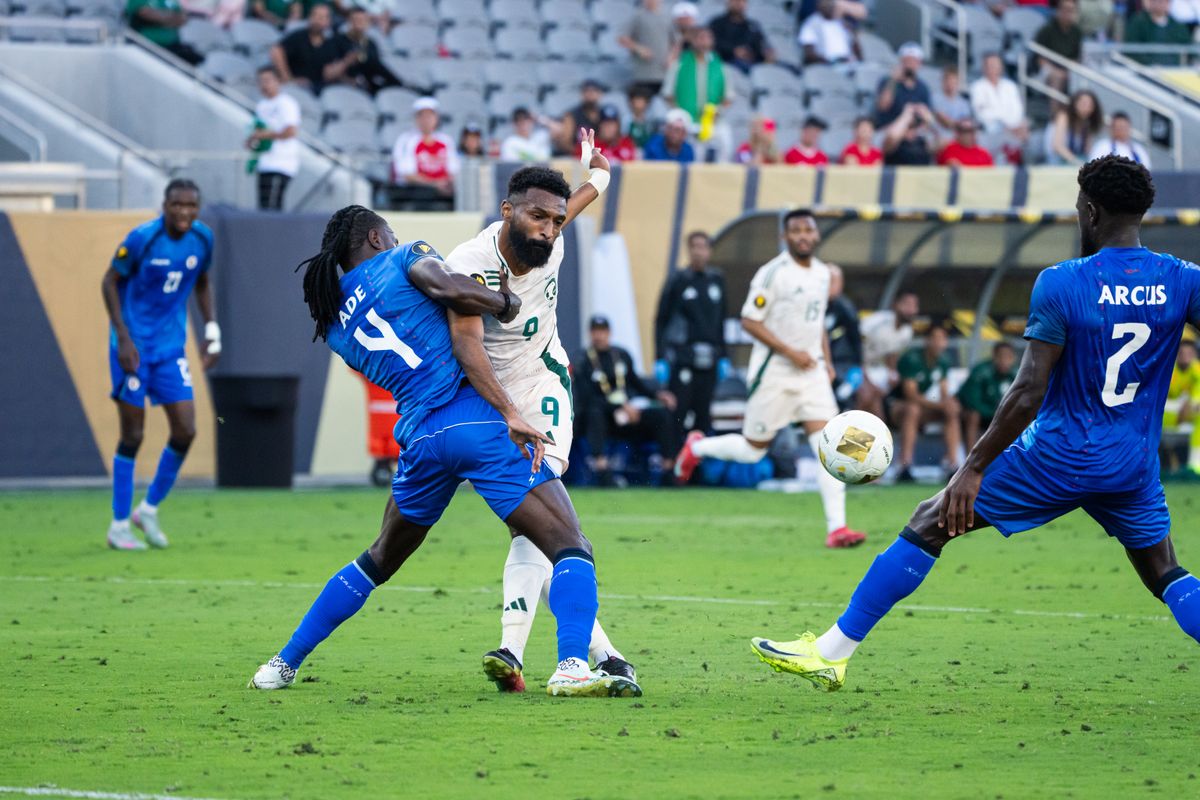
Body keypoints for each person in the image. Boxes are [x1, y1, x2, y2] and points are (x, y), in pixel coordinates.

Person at [750, 155, 1200, 691]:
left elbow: (1028, 390)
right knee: (1166, 573)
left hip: (1060, 453)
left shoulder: (1063, 282)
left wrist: (972, 468)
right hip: (1132, 461)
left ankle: (830, 652)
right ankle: (829, 651)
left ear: (1090, 210)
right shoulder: (1182, 279)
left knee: (929, 520)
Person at [249, 206, 640, 698]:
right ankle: (571, 667)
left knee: (376, 561)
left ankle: (282, 663)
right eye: (388, 233)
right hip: (472, 419)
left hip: (419, 440)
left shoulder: (332, 323)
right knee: (571, 544)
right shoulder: (403, 257)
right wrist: (501, 302)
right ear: (376, 236)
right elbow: (453, 289)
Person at [443, 153, 642, 694]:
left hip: (545, 385)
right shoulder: (470, 261)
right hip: (491, 395)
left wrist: (597, 170)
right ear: (508, 210)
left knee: (539, 517)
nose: (550, 229)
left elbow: (581, 196)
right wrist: (503, 411)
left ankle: (513, 647)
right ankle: (608, 656)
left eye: (556, 221)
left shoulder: (549, 232)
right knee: (537, 526)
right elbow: (467, 347)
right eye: (538, 218)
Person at [676, 210, 869, 549]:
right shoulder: (772, 273)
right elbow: (750, 321)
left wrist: (824, 359)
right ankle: (698, 446)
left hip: (811, 375)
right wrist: (790, 352)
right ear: (785, 237)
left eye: (808, 229)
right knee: (752, 451)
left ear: (816, 235)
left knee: (828, 446)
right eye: (795, 230)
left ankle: (837, 528)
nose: (803, 235)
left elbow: (818, 321)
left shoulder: (823, 274)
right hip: (775, 375)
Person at [100, 179, 219, 551]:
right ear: (164, 205)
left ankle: (148, 509)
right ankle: (119, 524)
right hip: (133, 348)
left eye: (191, 206)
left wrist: (211, 329)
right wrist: (122, 336)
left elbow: (200, 281)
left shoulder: (202, 239)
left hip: (171, 348)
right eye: (177, 205)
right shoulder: (142, 239)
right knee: (133, 435)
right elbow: (109, 281)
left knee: (186, 430)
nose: (184, 212)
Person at [575, 315, 679, 485]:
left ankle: (669, 469)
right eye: (595, 331)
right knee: (594, 412)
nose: (599, 336)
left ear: (609, 333)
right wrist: (619, 407)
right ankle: (602, 470)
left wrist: (658, 395)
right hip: (605, 417)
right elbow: (587, 397)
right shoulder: (583, 360)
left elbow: (636, 383)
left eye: (602, 331)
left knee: (662, 415)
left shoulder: (621, 355)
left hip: (629, 414)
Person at [655, 230, 729, 440]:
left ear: (709, 251)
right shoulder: (678, 280)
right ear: (688, 250)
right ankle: (672, 467)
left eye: (703, 247)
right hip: (683, 358)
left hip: (710, 360)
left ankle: (697, 469)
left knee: (703, 415)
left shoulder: (717, 280)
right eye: (694, 247)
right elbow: (661, 320)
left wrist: (724, 355)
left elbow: (721, 320)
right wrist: (660, 358)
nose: (699, 252)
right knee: (677, 413)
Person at [891, 325, 961, 481]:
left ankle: (951, 463)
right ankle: (905, 465)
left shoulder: (943, 361)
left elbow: (944, 393)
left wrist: (948, 404)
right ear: (926, 340)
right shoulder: (911, 359)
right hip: (896, 408)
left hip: (923, 409)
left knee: (951, 411)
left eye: (942, 339)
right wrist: (940, 405)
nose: (939, 343)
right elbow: (911, 395)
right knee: (913, 409)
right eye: (935, 338)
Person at [857, 291, 918, 420]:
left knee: (875, 403)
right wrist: (866, 381)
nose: (911, 310)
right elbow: (854, 347)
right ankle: (842, 432)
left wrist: (892, 373)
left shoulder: (907, 332)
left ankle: (870, 437)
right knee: (866, 397)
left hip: (872, 368)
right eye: (907, 304)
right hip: (850, 364)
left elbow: (892, 354)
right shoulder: (877, 322)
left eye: (914, 306)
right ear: (895, 305)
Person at [248, 66, 301, 211]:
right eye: (261, 81)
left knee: (274, 205)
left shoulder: (287, 103)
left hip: (281, 162)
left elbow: (290, 131)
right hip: (264, 161)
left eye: (267, 80)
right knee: (264, 204)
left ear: (278, 81)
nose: (264, 85)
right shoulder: (261, 105)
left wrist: (264, 135)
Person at [390, 97, 459, 208]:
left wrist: (446, 183)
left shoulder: (446, 140)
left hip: (443, 190)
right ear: (416, 119)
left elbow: (454, 170)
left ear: (436, 118)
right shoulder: (406, 140)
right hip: (415, 191)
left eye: (430, 115)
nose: (426, 120)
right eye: (421, 116)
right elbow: (406, 175)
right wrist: (434, 184)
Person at [321, 6, 405, 96]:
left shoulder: (371, 43)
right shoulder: (336, 41)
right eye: (356, 20)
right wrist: (347, 61)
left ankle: (401, 85)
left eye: (363, 20)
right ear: (349, 21)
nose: (359, 23)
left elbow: (377, 70)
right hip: (344, 86)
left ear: (368, 23)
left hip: (369, 87)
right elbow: (328, 75)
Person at [662, 25, 731, 124]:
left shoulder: (721, 67)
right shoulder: (679, 65)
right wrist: (680, 115)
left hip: (713, 123)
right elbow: (668, 95)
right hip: (684, 123)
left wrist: (717, 112)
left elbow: (728, 97)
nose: (705, 42)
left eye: (709, 38)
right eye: (701, 38)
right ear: (693, 40)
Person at [958, 341, 1017, 448]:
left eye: (1008, 357)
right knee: (973, 415)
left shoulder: (1017, 375)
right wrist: (995, 413)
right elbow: (973, 402)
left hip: (999, 416)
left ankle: (1015, 457)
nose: (1004, 361)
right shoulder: (981, 372)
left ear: (1013, 358)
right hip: (980, 415)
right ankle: (970, 459)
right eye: (1000, 356)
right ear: (994, 357)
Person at [270, 4, 335, 91]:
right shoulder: (298, 36)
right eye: (315, 16)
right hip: (293, 86)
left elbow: (329, 72)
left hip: (317, 89)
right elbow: (276, 51)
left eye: (321, 17)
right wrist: (288, 79)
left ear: (328, 21)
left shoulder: (330, 44)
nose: (317, 20)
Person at [969, 53, 1029, 145]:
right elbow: (981, 114)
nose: (993, 68)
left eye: (996, 65)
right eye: (990, 65)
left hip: (1014, 129)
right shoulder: (977, 87)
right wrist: (1004, 124)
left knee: (1024, 130)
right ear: (984, 67)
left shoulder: (1010, 86)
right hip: (990, 131)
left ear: (1001, 67)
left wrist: (1011, 125)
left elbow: (1017, 110)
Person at [824, 264, 862, 411]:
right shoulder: (817, 303)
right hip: (820, 364)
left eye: (833, 281)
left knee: (842, 399)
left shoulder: (845, 307)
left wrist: (857, 366)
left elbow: (856, 338)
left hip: (842, 364)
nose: (828, 285)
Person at [619, 0, 674, 97]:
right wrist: (638, 48)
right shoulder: (637, 17)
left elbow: (676, 42)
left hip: (664, 73)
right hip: (643, 74)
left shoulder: (668, 17)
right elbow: (622, 38)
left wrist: (671, 57)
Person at [127, 0, 203, 64]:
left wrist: (161, 17)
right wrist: (171, 17)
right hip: (144, 46)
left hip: (172, 48)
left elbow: (182, 18)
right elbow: (145, 13)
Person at [1164, 340, 1200, 475]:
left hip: (1189, 414)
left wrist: (1191, 404)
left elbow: (1197, 399)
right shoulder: (1169, 369)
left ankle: (1195, 466)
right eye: (1182, 353)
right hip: (1168, 413)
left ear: (1195, 354)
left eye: (1189, 353)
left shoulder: (1197, 369)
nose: (1186, 356)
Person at [874, 42, 931, 128]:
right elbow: (883, 107)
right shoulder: (887, 81)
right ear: (901, 62)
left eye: (913, 61)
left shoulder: (923, 87)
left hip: (914, 131)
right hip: (889, 127)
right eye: (907, 61)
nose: (910, 65)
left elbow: (927, 116)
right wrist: (893, 81)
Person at [709, 0, 774, 72]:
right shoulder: (717, 23)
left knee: (785, 67)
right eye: (736, 1)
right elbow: (711, 43)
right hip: (728, 61)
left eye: (742, 1)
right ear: (729, 3)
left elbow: (762, 43)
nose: (739, 4)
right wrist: (733, 50)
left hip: (754, 61)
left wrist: (767, 52)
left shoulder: (752, 25)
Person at [1033, 0, 1082, 92]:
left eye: (1071, 10)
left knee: (1082, 78)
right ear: (1058, 10)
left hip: (1068, 69)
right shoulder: (1047, 29)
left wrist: (1068, 71)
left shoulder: (1077, 32)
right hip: (1046, 69)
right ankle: (1054, 107)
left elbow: (1077, 58)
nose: (1067, 13)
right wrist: (1057, 71)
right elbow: (1040, 59)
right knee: (1057, 78)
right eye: (1065, 9)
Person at [1125, 0, 1192, 65]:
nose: (1159, 4)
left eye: (1163, 1)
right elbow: (1131, 48)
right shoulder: (1138, 22)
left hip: (1172, 70)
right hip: (1144, 70)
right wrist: (1149, 63)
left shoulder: (1177, 25)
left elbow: (1189, 46)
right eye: (1155, 1)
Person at [1047, 89, 1103, 165]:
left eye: (1090, 105)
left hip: (1073, 159)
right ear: (1075, 104)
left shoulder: (1087, 122)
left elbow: (1087, 150)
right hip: (1056, 159)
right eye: (1083, 104)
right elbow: (1057, 146)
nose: (1087, 108)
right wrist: (1076, 161)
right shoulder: (1063, 116)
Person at [798, 0, 861, 65]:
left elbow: (855, 47)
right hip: (823, 66)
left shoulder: (843, 24)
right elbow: (809, 52)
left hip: (846, 65)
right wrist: (827, 61)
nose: (828, 5)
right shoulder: (812, 23)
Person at [556, 79, 606, 155]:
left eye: (593, 91)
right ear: (582, 94)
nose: (590, 94)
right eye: (586, 91)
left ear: (600, 94)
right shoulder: (572, 115)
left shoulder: (605, 115)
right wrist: (582, 153)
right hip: (575, 158)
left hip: (600, 155)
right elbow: (564, 143)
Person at [930, 66, 972, 138]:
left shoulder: (963, 103)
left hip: (959, 138)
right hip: (939, 137)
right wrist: (959, 125)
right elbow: (945, 121)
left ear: (958, 82)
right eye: (948, 80)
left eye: (953, 81)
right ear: (943, 81)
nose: (950, 84)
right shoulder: (934, 98)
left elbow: (966, 123)